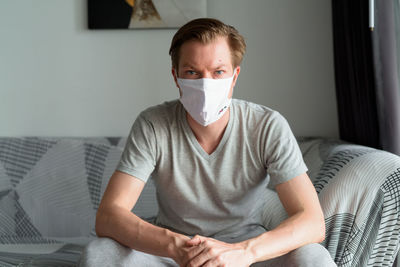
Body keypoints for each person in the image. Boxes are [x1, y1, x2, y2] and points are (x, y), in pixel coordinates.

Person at [79, 18, 336, 267]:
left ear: (234, 77)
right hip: (173, 253)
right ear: (176, 76)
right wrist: (177, 247)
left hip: (246, 254)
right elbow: (109, 215)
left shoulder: (267, 125)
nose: (205, 84)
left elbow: (312, 222)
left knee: (312, 256)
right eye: (192, 72)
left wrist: (243, 252)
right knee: (101, 251)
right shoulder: (153, 124)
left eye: (218, 72)